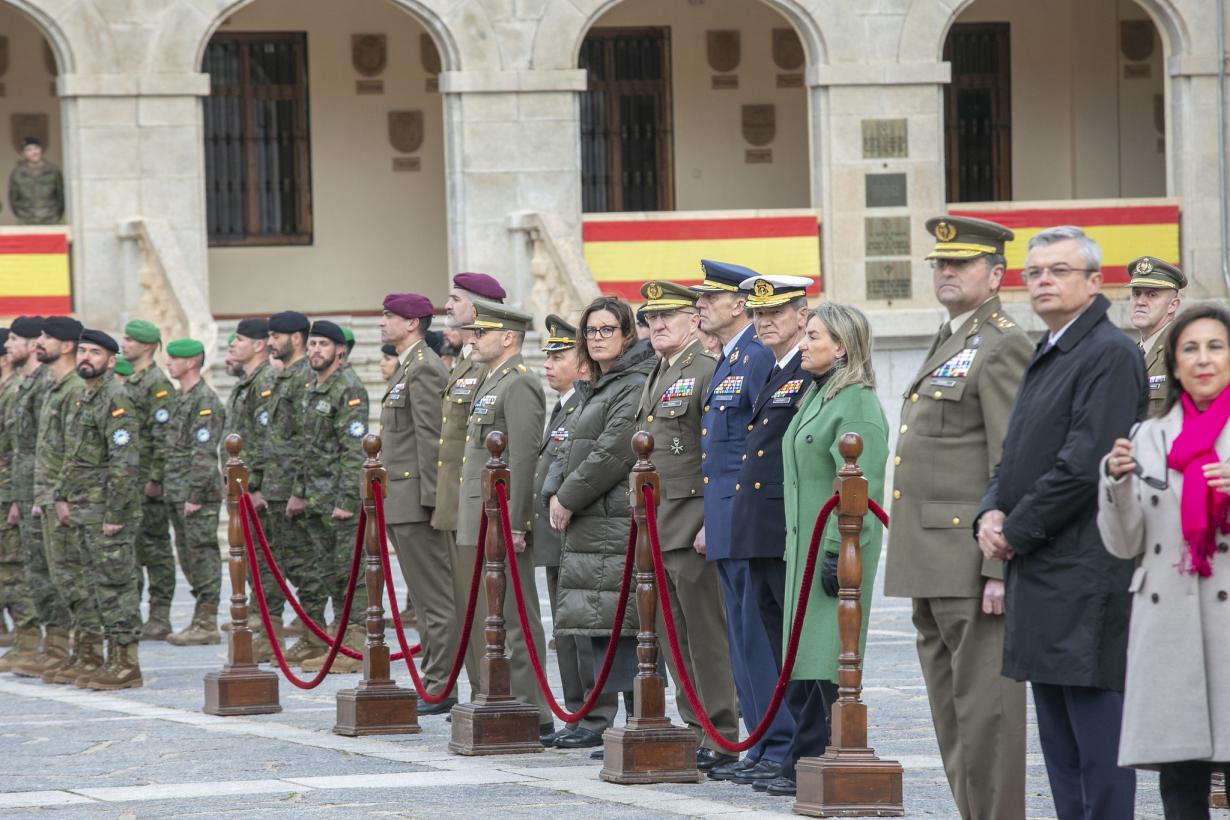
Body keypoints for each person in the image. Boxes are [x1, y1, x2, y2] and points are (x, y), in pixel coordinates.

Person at [976, 226, 1144, 820]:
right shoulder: (1048, 347)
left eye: (1059, 270)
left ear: (1095, 282)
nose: (1043, 280)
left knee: (1097, 750)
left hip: (1084, 572)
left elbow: (1082, 466)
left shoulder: (1108, 353)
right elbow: (1014, 451)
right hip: (1043, 574)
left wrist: (1013, 532)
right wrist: (990, 509)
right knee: (1060, 747)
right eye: (1036, 272)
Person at [883, 216, 1032, 820]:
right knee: (951, 715)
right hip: (929, 560)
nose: (946, 272)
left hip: (971, 560)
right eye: (941, 263)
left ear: (996, 274)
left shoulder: (1002, 344)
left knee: (987, 715)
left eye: (962, 263)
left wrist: (999, 566)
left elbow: (1010, 462)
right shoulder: (952, 337)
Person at [1098, 304, 1230, 820]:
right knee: (1181, 785)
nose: (1203, 359)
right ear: (1174, 364)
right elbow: (1123, 542)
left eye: (1215, 347)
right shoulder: (1147, 439)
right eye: (1189, 349)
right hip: (1170, 625)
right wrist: (1115, 484)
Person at [634, 280, 740, 771]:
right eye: (651, 319)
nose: (657, 326)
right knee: (676, 637)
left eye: (668, 318)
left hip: (692, 520)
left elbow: (719, 455)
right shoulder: (659, 371)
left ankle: (722, 732)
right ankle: (696, 726)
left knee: (706, 637)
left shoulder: (704, 370)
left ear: (694, 321)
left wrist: (712, 522)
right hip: (659, 522)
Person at [694, 260, 793, 783]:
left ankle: (776, 743)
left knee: (757, 635)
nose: (700, 306)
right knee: (741, 636)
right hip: (725, 516)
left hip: (745, 517)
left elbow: (758, 448)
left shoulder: (755, 358)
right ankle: (758, 743)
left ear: (740, 304)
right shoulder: (731, 359)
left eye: (711, 298)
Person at [781, 302, 888, 782]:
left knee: (832, 660)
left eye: (814, 337)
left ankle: (826, 755)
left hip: (836, 552)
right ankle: (805, 756)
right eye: (805, 335)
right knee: (809, 659)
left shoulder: (857, 402)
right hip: (805, 550)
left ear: (842, 347)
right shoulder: (819, 393)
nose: (803, 344)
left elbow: (861, 487)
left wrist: (833, 552)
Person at [544, 296, 655, 752]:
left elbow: (613, 449)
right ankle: (599, 719)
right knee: (598, 623)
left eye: (607, 329)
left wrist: (568, 495)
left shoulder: (631, 382)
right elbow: (567, 444)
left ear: (627, 334)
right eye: (590, 332)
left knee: (624, 624)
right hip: (594, 520)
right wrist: (555, 489)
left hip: (614, 518)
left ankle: (636, 720)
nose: (597, 338)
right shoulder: (601, 384)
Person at [726, 274, 815, 794]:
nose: (765, 322)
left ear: (802, 316)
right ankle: (781, 750)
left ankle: (798, 753)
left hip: (786, 529)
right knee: (774, 644)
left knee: (795, 647)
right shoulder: (777, 370)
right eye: (758, 314)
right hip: (758, 528)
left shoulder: (808, 371)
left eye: (776, 312)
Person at [455, 300, 553, 738]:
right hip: (480, 512)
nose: (473, 338)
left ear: (508, 337)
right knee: (488, 614)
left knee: (514, 614)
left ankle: (534, 707)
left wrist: (516, 521)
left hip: (501, 517)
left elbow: (525, 458)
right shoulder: (489, 380)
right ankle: (501, 695)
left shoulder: (519, 384)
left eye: (483, 332)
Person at [532, 314, 614, 748]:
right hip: (556, 532)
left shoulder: (584, 404)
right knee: (567, 629)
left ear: (582, 365)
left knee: (585, 630)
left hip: (578, 528)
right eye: (547, 355)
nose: (549, 363)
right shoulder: (566, 405)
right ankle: (577, 710)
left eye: (559, 355)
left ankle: (593, 715)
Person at [376, 293, 453, 703]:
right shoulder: (407, 367)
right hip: (401, 500)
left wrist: (433, 503)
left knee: (434, 598)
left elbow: (433, 442)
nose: (382, 322)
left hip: (417, 502)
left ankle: (441, 684)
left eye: (390, 316)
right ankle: (435, 678)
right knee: (422, 600)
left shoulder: (423, 369)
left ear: (412, 323)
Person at [58, 329, 143, 688]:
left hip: (106, 511)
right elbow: (74, 456)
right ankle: (104, 657)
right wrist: (62, 495)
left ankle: (126, 663)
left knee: (116, 585)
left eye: (94, 352)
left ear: (111, 361)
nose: (85, 358)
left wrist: (116, 515)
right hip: (83, 508)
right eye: (82, 351)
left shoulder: (115, 398)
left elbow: (124, 462)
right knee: (94, 585)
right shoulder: (84, 398)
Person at [436, 273, 503, 701]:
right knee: (466, 603)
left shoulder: (489, 365)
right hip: (456, 501)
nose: (446, 305)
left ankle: (490, 692)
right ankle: (479, 690)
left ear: (477, 309)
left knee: (485, 606)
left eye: (454, 299)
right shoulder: (463, 360)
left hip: (478, 502)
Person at [297, 321, 368, 674]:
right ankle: (339, 643)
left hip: (340, 503)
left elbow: (354, 452)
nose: (315, 351)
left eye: (323, 345)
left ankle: (356, 646)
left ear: (339, 350)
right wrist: (299, 493)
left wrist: (347, 501)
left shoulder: (348, 389)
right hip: (315, 500)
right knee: (329, 574)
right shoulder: (313, 388)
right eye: (312, 345)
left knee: (350, 574)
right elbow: (306, 449)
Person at [5, 316, 70, 677]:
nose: (7, 346)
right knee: (36, 571)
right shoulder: (29, 385)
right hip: (27, 488)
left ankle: (61, 644)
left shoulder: (48, 385)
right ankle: (47, 644)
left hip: (43, 491)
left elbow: (50, 446)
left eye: (14, 339)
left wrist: (41, 495)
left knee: (52, 570)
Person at [262, 310, 327, 659]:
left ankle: (314, 634)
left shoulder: (304, 376)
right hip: (276, 486)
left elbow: (307, 440)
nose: (270, 342)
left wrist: (298, 490)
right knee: (290, 563)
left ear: (296, 338)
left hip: (292, 488)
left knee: (306, 567)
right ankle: (309, 631)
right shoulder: (285, 376)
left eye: (276, 336)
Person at [32, 316, 89, 683]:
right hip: (51, 498)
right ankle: (75, 651)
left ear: (66, 346)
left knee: (77, 579)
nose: (40, 341)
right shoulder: (56, 387)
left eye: (46, 337)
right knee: (62, 579)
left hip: (68, 501)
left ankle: (88, 652)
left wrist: (62, 496)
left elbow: (75, 452)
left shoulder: (74, 390)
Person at [223, 318, 283, 660]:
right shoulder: (247, 383)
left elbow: (265, 441)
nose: (232, 344)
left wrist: (256, 485)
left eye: (240, 339)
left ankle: (270, 634)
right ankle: (263, 631)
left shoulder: (267, 382)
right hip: (240, 490)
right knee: (251, 562)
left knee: (264, 563)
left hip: (255, 490)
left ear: (259, 345)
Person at [162, 339, 225, 647]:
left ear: (191, 363)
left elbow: (203, 453)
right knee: (188, 557)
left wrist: (195, 494)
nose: (168, 363)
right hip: (177, 490)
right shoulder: (180, 398)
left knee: (202, 554)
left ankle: (207, 621)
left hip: (196, 493)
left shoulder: (204, 400)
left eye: (174, 359)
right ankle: (200, 616)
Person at [118, 319, 176, 641]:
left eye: (130, 339)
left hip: (147, 485)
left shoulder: (157, 385)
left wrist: (155, 479)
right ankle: (135, 613)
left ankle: (160, 614)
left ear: (147, 346)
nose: (123, 343)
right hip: (128, 482)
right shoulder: (131, 382)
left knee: (155, 551)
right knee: (134, 551)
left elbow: (163, 437)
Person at [0, 327, 38, 659]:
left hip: (17, 491)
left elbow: (18, 450)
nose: (11, 346)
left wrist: (14, 496)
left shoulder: (16, 391)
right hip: (11, 489)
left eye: (14, 340)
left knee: (16, 566)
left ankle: (30, 639)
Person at [1126, 256, 1185, 415]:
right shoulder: (1129, 354)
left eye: (1152, 295)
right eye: (1136, 294)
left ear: (1173, 305)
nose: (1140, 302)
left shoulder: (1181, 350)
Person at [9, 137, 64, 225]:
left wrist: (55, 215)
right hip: (26, 221)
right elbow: (13, 200)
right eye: (29, 149)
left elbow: (60, 197)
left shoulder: (53, 170)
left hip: (51, 220)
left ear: (41, 149)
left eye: (36, 148)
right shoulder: (17, 173)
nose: (34, 152)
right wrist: (23, 214)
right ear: (24, 153)